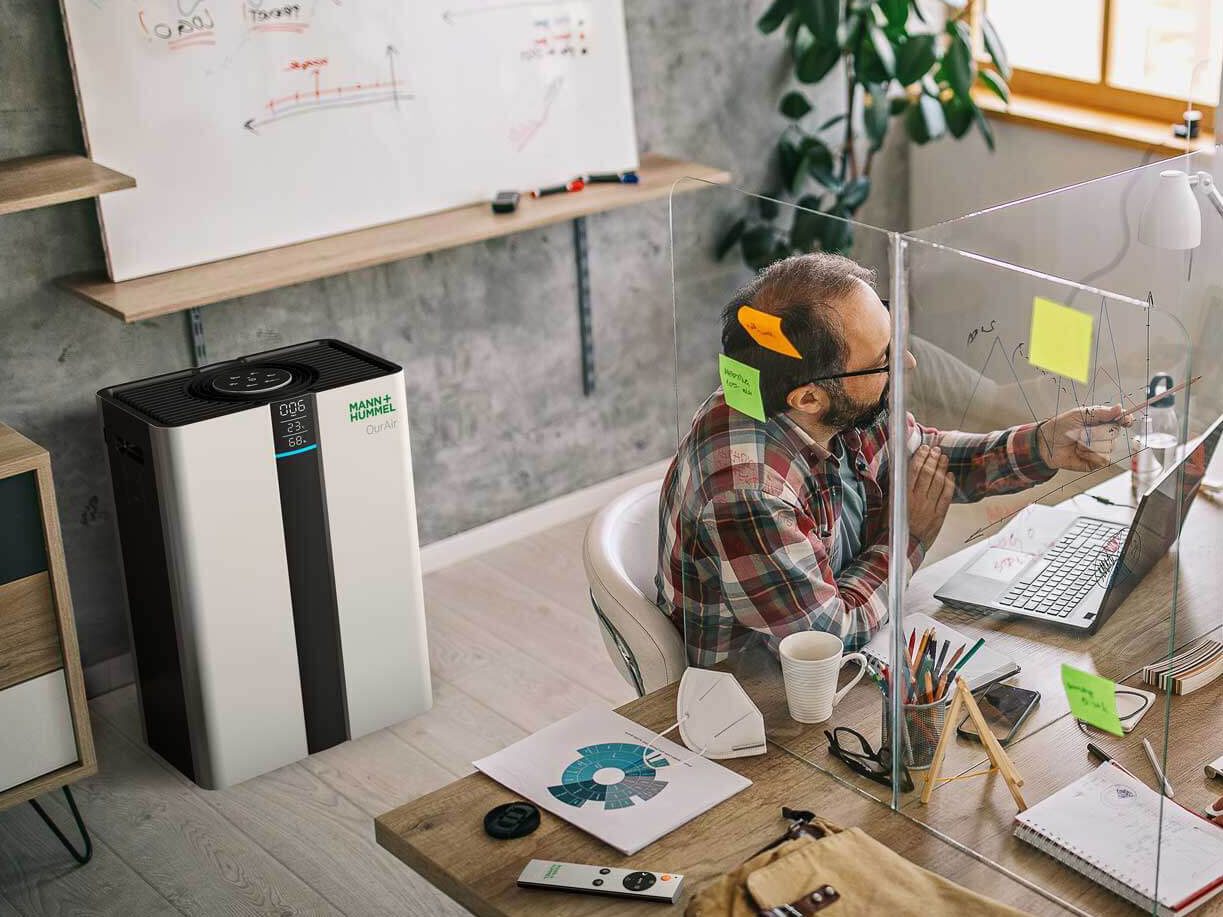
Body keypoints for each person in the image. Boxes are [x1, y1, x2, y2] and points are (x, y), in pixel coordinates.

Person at [656, 253, 1130, 666]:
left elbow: (926, 460)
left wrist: (1044, 444)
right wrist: (909, 537)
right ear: (809, 398)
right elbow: (827, 638)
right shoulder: (747, 489)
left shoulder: (831, 404)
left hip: (853, 646)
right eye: (883, 357)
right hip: (762, 696)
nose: (906, 362)